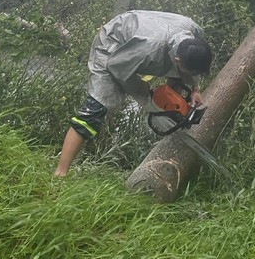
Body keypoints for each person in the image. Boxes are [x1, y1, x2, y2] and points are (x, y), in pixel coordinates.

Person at [54, 10, 213, 177]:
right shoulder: (150, 48)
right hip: (113, 46)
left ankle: (170, 107)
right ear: (178, 60)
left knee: (179, 77)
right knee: (95, 110)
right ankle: (60, 174)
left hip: (147, 41)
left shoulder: (194, 33)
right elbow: (117, 66)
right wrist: (144, 92)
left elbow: (191, 69)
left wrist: (195, 88)